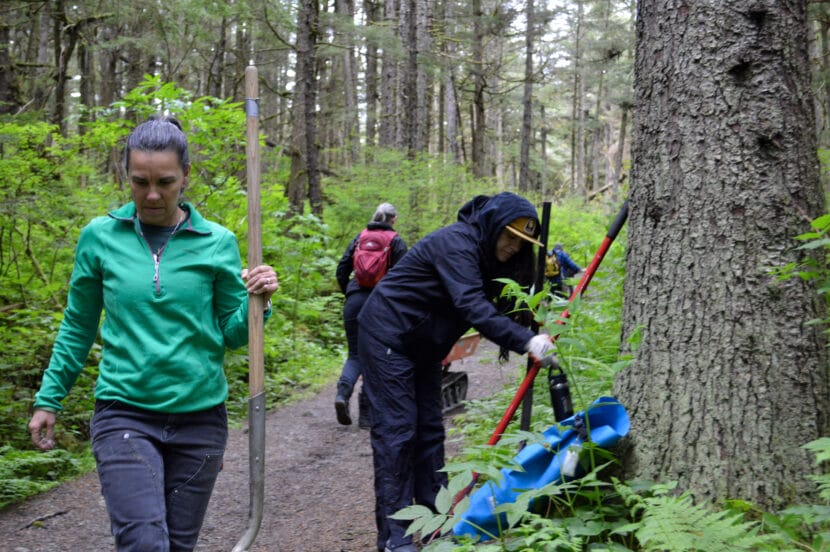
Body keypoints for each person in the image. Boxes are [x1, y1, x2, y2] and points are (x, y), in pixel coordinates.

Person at [27, 115, 279, 552]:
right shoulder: (100, 238)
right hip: (125, 412)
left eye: (165, 181)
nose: (152, 195)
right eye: (139, 181)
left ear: (186, 176)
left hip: (201, 420)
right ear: (126, 174)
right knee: (145, 543)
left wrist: (259, 302)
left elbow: (233, 335)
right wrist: (50, 398)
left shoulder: (217, 242)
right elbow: (79, 325)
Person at [357, 192, 555, 552]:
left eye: (521, 242)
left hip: (425, 346)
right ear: (493, 225)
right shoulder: (456, 244)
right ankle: (396, 538)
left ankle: (436, 521)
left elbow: (508, 305)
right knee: (398, 433)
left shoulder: (493, 260)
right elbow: (472, 305)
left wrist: (535, 321)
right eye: (508, 236)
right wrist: (526, 342)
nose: (512, 247)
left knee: (430, 431)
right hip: (388, 334)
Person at [334, 203, 407, 427]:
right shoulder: (395, 241)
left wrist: (351, 291)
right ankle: (366, 416)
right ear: (393, 219)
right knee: (375, 358)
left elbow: (342, 270)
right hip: (380, 305)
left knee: (354, 354)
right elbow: (406, 276)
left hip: (354, 300)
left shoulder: (360, 238)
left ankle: (342, 395)